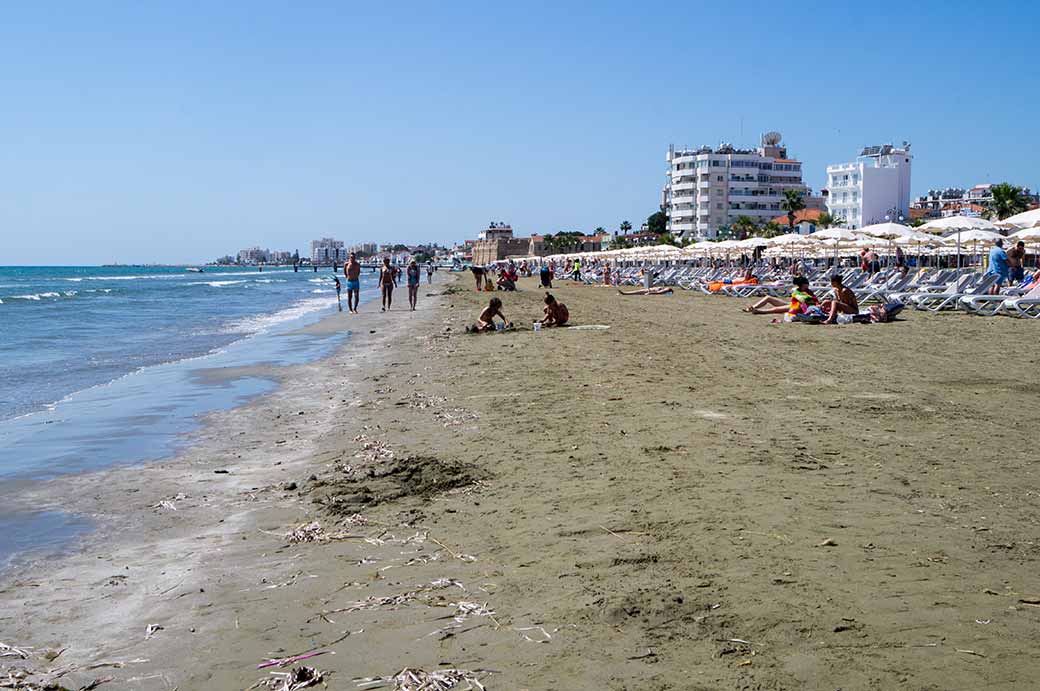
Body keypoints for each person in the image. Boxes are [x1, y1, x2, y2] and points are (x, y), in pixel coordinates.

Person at [743, 276, 819, 317]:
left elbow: (814, 301)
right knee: (768, 298)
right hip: (793, 305)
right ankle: (752, 308)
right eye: (806, 284)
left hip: (798, 308)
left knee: (775, 309)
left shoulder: (808, 291)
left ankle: (759, 311)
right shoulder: (798, 291)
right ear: (802, 285)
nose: (807, 286)